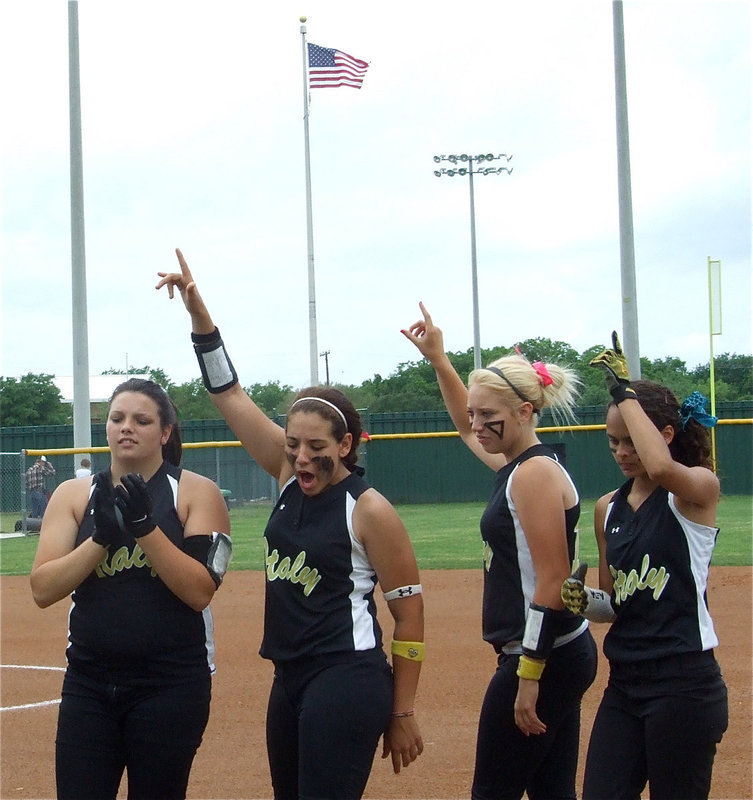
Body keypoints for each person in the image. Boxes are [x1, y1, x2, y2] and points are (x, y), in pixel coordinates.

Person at [157, 249, 424, 800]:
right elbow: (227, 392)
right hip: (290, 676)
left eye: (316, 447)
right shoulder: (285, 472)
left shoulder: (368, 509)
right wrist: (199, 318)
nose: (300, 457)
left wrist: (402, 709)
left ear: (346, 445)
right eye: (294, 443)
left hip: (347, 675)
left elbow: (410, 613)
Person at [402, 302, 597, 800]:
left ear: (525, 412)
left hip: (542, 655)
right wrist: (440, 361)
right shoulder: (518, 464)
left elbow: (553, 581)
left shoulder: (532, 474)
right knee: (551, 790)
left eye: (490, 414)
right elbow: (466, 429)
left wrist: (529, 675)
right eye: (475, 411)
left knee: (493, 790)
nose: (478, 423)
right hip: (560, 650)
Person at [30, 378, 231, 800]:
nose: (126, 427)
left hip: (171, 684)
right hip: (89, 680)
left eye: (142, 420)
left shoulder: (195, 492)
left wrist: (144, 527)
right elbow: (43, 588)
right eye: (117, 418)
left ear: (164, 433)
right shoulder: (74, 494)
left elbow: (199, 591)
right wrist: (100, 539)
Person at [560, 332, 728, 800]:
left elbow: (660, 470)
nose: (620, 451)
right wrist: (585, 602)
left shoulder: (695, 492)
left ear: (665, 435)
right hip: (625, 682)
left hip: (684, 684)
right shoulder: (607, 509)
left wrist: (623, 393)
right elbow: (615, 603)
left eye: (630, 440)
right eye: (613, 441)